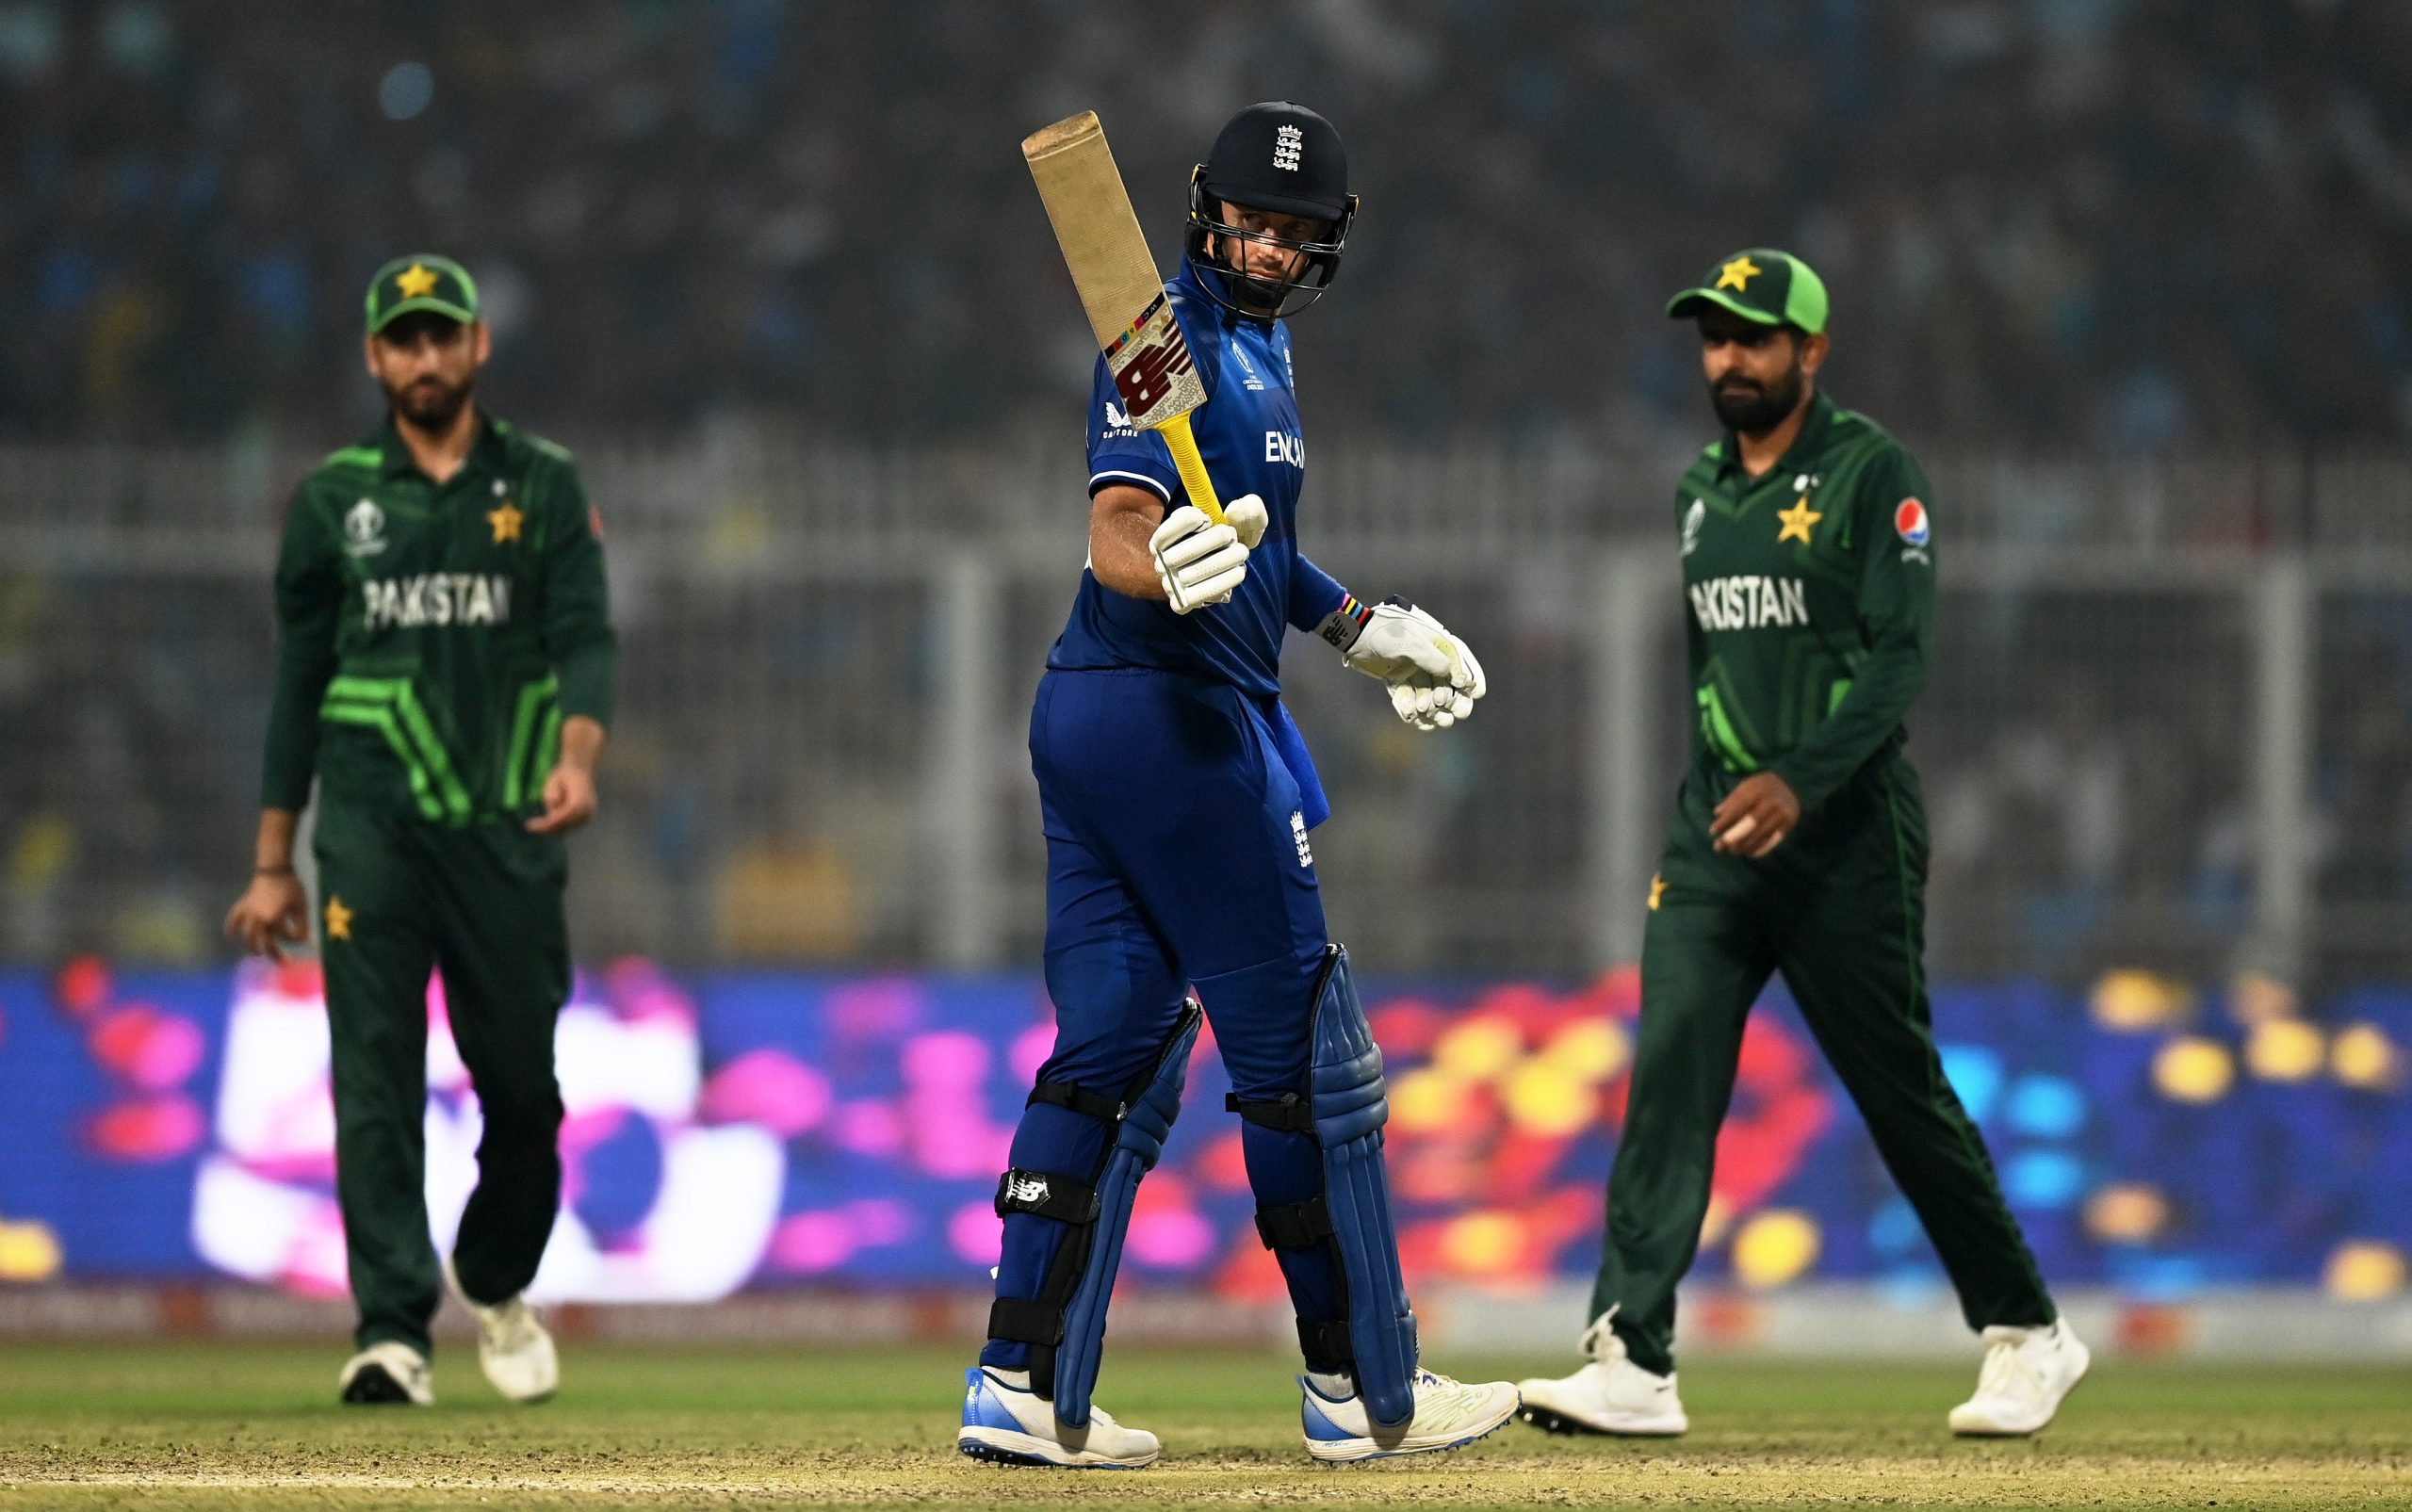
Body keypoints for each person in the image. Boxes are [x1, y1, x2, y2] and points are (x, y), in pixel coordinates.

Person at [956, 103, 1517, 1469]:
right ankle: (1364, 1395)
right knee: (1304, 1065)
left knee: (1112, 1047)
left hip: (1091, 726)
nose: (1266, 247)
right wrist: (1164, 568)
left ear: (1325, 245)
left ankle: (1020, 1385)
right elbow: (1119, 533)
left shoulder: (1257, 350)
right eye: (1250, 223)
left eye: (1294, 231)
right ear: (1206, 212)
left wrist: (1348, 622)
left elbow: (1256, 549)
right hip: (1182, 733)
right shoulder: (1174, 345)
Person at [1517, 250, 2088, 1439]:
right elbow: (1719, 671)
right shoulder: (1696, 494)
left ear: (1809, 353)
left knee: (1897, 1091)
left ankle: (2030, 1332)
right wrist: (1723, 794)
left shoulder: (1874, 475)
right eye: (1714, 338)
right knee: (1670, 1065)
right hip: (1718, 833)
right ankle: (1632, 1353)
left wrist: (1799, 782)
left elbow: (1899, 662)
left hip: (1844, 834)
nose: (1729, 358)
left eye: (1754, 338)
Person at [223, 255, 615, 1406]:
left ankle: (492, 1282)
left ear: (478, 345)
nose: (426, 358)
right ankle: (391, 1330)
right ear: (374, 357)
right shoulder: (331, 501)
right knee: (375, 1080)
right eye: (405, 341)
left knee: (524, 1095)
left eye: (444, 336)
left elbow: (587, 636)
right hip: (370, 831)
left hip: (504, 828)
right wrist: (269, 859)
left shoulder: (541, 484)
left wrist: (579, 758)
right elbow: (299, 682)